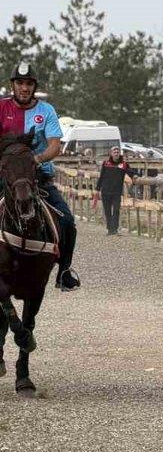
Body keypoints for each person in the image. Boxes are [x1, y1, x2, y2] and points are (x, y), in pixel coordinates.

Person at [0, 62, 80, 291]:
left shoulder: (46, 111)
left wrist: (35, 160)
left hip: (38, 177)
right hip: (6, 178)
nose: (24, 88)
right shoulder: (1, 108)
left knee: (67, 222)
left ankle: (64, 271)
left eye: (28, 84)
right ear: (12, 85)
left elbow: (55, 146)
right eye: (20, 83)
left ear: (34, 87)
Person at [94, 146, 133, 235]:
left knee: (116, 210)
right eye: (114, 152)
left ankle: (115, 229)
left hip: (117, 191)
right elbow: (101, 177)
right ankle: (110, 229)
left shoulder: (124, 164)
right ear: (111, 153)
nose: (116, 153)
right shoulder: (106, 163)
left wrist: (134, 176)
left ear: (119, 154)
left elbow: (131, 172)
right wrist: (97, 189)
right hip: (106, 191)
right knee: (107, 211)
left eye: (117, 152)